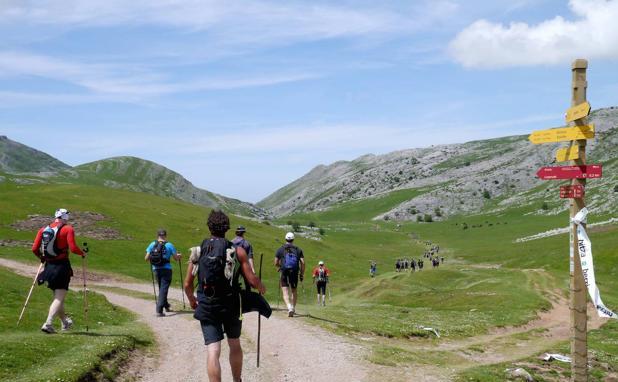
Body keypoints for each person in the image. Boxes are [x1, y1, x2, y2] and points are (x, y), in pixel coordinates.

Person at [184, 210, 265, 382]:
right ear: (227, 228)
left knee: (213, 349)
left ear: (209, 227)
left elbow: (187, 284)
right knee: (234, 343)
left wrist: (192, 300)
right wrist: (261, 287)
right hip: (231, 304)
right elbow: (251, 280)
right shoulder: (238, 251)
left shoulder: (198, 252)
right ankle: (237, 380)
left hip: (206, 303)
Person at [31, 208, 85, 334]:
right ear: (66, 217)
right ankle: (48, 323)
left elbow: (34, 248)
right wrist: (82, 253)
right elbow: (73, 248)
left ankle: (65, 322)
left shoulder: (43, 229)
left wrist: (42, 258)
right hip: (61, 267)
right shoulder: (68, 229)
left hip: (48, 267)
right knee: (59, 297)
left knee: (58, 297)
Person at [145, 229, 181, 317]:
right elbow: (176, 258)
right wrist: (179, 256)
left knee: (162, 289)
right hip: (166, 270)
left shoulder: (152, 244)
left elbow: (146, 258)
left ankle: (166, 306)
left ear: (157, 235)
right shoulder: (169, 245)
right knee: (163, 289)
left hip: (156, 269)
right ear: (165, 235)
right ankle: (159, 310)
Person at [275, 232, 305, 317]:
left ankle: (289, 307)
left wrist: (279, 268)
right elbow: (303, 262)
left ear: (285, 239)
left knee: (285, 290)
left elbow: (276, 262)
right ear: (293, 239)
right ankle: (293, 308)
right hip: (294, 271)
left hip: (284, 270)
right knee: (294, 290)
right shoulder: (298, 249)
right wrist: (302, 273)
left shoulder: (280, 249)